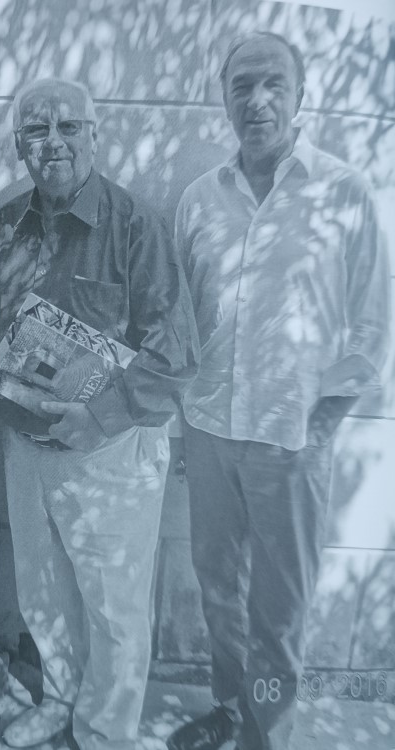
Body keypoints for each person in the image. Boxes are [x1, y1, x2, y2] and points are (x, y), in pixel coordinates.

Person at [167, 32, 390, 750]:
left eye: (274, 85)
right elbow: (179, 319)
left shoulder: (343, 191)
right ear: (224, 97)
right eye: (243, 86)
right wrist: (179, 428)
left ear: (300, 96)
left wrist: (321, 426)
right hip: (209, 430)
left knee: (279, 607)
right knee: (218, 592)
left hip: (291, 442)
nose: (257, 101)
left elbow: (372, 323)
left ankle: (266, 732)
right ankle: (230, 709)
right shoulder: (199, 199)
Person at [0, 78, 200, 750]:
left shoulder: (135, 224)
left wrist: (98, 419)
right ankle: (62, 700)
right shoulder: (5, 220)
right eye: (36, 130)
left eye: (68, 127)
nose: (53, 142)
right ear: (19, 146)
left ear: (94, 136)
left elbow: (176, 355)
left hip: (110, 451)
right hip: (25, 443)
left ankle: (105, 733)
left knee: (113, 608)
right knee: (42, 590)